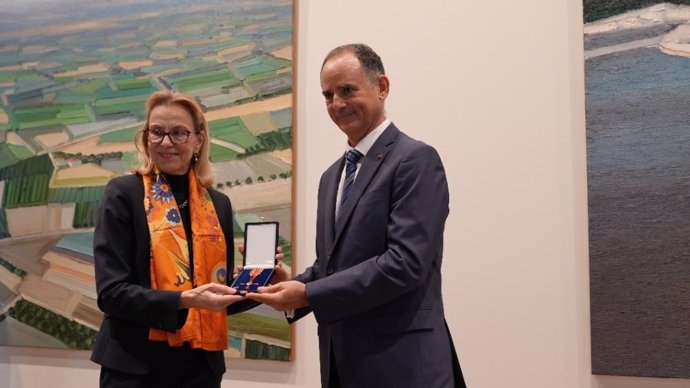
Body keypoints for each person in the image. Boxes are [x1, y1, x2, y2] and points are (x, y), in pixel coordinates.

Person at [246, 44, 467, 387]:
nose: (337, 104)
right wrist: (293, 283)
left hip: (404, 367)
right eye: (328, 95)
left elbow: (405, 263)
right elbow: (330, 267)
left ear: (382, 87)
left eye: (347, 90)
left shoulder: (416, 160)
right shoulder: (331, 177)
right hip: (342, 365)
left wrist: (308, 294)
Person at [90, 90, 276, 388]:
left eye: (178, 133)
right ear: (145, 137)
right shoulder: (124, 194)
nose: (166, 142)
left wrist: (259, 283)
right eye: (157, 132)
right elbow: (111, 294)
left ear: (198, 140)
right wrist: (186, 299)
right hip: (135, 369)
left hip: (200, 369)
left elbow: (217, 301)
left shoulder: (218, 205)